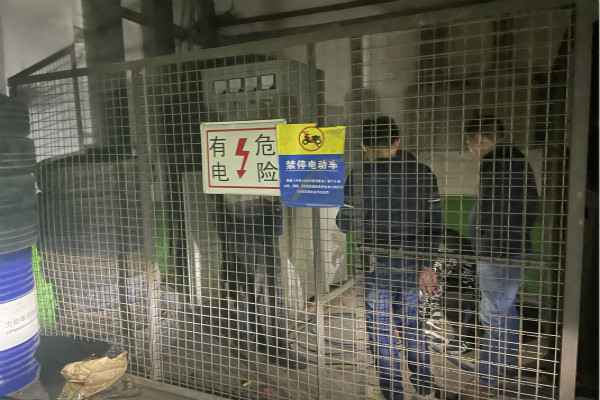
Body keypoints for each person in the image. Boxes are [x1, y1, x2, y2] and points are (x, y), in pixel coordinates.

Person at [337, 116, 443, 400]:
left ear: (364, 146)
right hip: (413, 261)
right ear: (397, 142)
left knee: (381, 329)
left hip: (377, 262)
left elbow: (345, 223)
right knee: (412, 324)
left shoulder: (360, 176)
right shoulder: (423, 173)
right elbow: (436, 224)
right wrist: (427, 265)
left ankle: (393, 392)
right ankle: (424, 386)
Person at [465, 115, 539, 395]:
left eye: (470, 144)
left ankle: (487, 380)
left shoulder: (494, 163)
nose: (471, 151)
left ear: (478, 140)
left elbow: (486, 213)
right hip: (515, 248)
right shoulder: (518, 161)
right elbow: (531, 207)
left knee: (493, 314)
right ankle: (505, 365)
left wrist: (482, 242)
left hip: (496, 252)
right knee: (506, 310)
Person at [216, 196, 306, 370]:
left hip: (233, 212)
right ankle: (276, 347)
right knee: (267, 287)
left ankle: (249, 342)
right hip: (255, 212)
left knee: (243, 283)